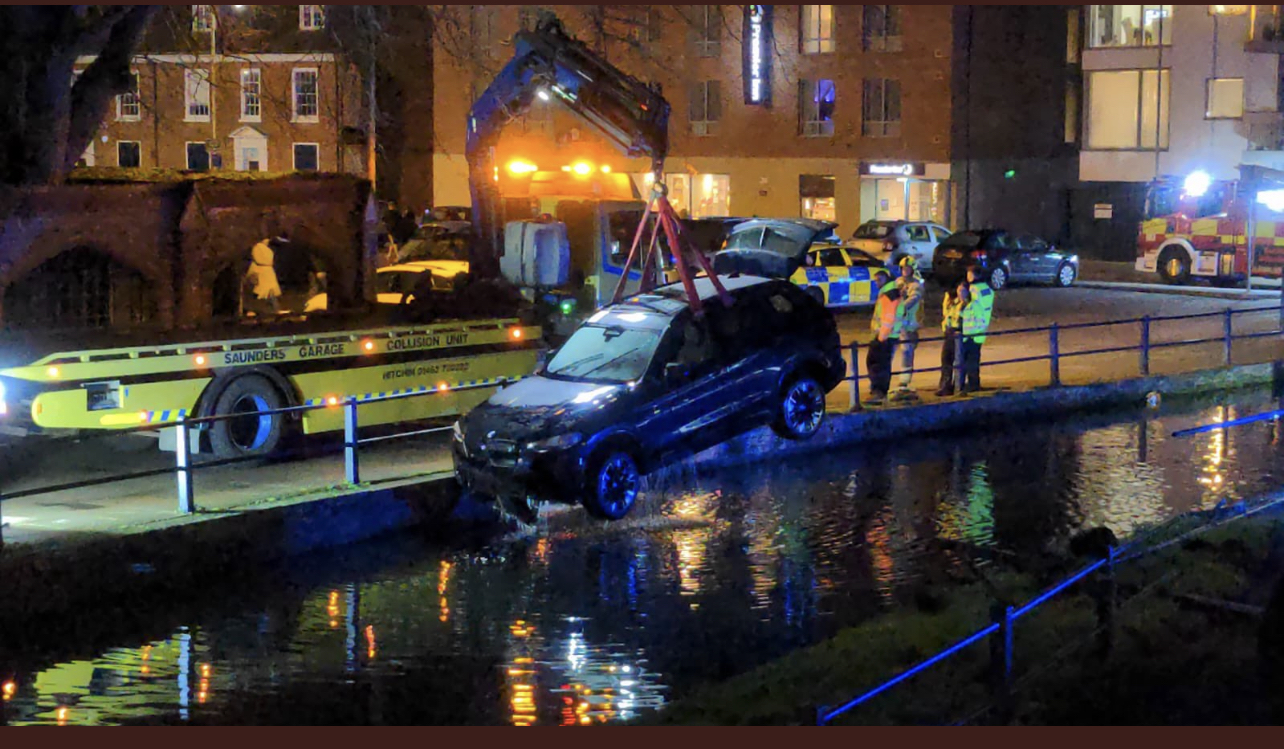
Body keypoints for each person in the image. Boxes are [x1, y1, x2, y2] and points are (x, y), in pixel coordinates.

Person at [865, 269, 902, 405]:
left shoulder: (888, 295)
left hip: (884, 337)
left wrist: (881, 337)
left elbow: (888, 318)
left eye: (878, 280)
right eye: (875, 280)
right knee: (880, 364)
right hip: (887, 336)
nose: (876, 283)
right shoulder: (890, 293)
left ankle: (878, 392)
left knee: (877, 364)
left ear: (885, 279)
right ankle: (879, 391)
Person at [891, 256, 924, 401]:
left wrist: (899, 306)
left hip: (909, 325)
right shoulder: (898, 282)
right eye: (903, 269)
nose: (905, 271)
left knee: (907, 353)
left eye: (908, 269)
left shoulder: (916, 285)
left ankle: (904, 382)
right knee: (891, 351)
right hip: (897, 323)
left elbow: (912, 300)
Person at [960, 265, 995, 394]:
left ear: (973, 275)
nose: (967, 276)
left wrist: (963, 301)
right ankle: (974, 383)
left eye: (969, 274)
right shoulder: (987, 288)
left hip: (970, 330)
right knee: (974, 359)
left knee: (968, 359)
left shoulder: (973, 289)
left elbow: (970, 309)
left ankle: (970, 384)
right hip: (981, 328)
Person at [936, 283, 966, 396]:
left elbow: (962, 316)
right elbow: (947, 315)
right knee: (946, 359)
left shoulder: (964, 303)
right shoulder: (951, 302)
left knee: (957, 360)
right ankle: (945, 385)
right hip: (949, 332)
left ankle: (958, 387)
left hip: (959, 332)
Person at [243, 235, 282, 317]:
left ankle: (252, 309)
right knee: (266, 292)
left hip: (263, 273)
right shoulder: (261, 249)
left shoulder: (260, 249)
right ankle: (273, 309)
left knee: (263, 292)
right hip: (264, 274)